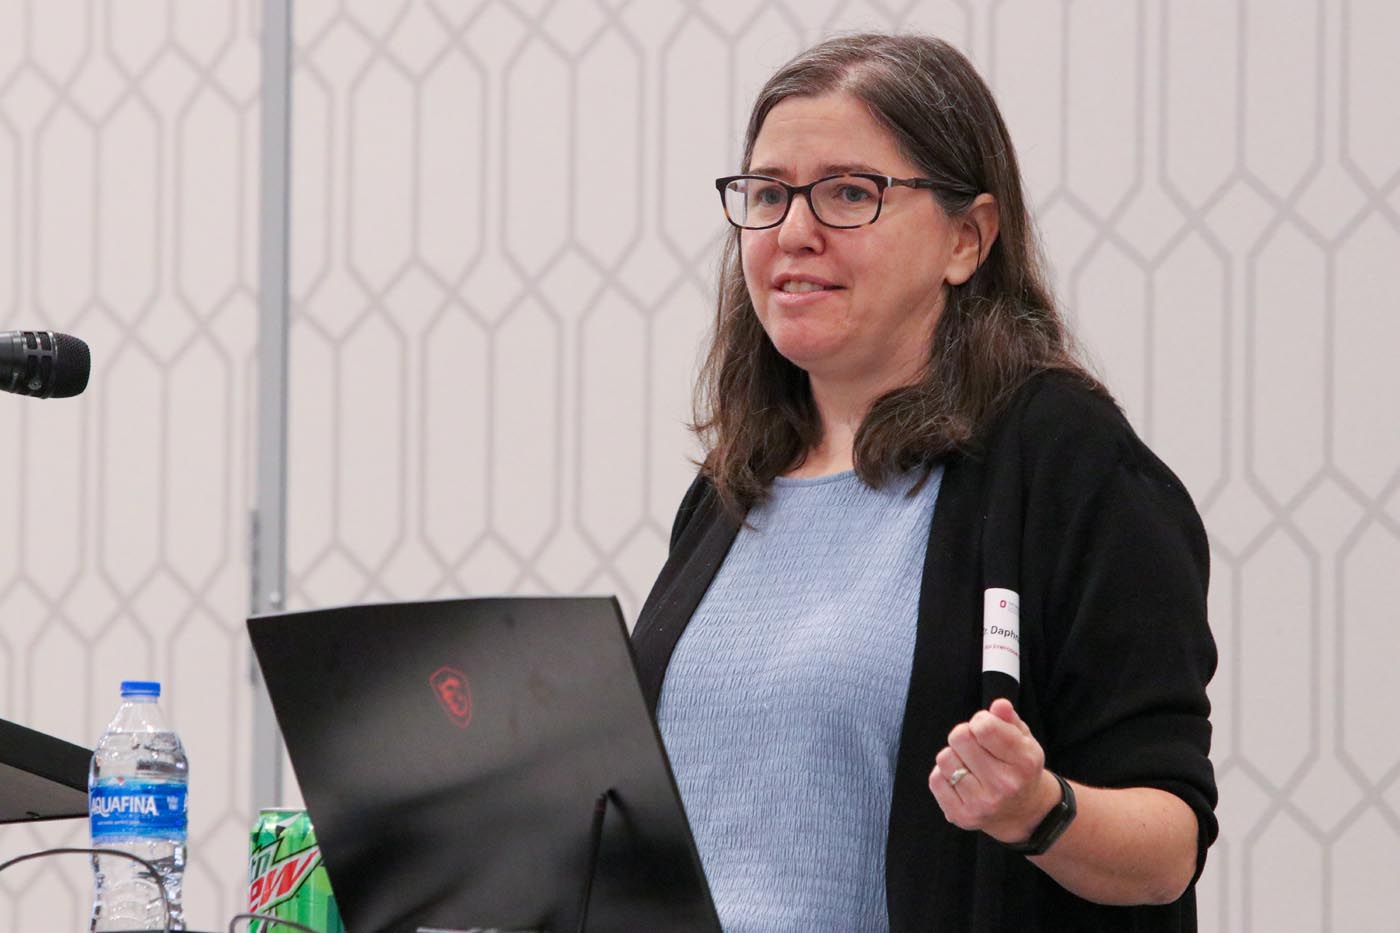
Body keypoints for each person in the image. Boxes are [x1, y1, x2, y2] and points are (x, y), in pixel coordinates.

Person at [631, 33, 1218, 933]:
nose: (794, 230)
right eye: (768, 193)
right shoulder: (727, 492)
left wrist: (1038, 809)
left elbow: (1167, 848)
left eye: (849, 193)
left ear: (966, 238)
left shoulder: (1066, 460)